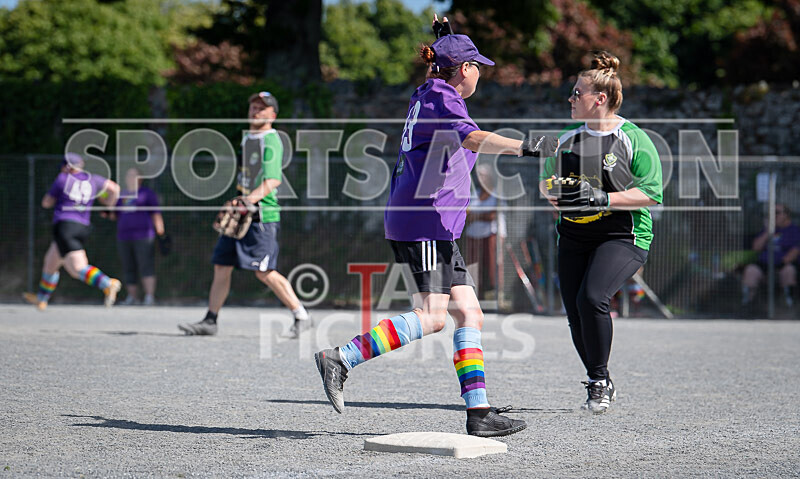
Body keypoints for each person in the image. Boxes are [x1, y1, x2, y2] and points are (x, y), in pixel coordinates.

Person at [314, 20, 557, 437]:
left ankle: (478, 414)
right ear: (463, 69)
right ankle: (342, 357)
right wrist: (525, 146)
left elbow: (438, 78)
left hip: (434, 223)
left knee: (470, 312)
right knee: (432, 317)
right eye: (477, 64)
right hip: (424, 220)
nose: (481, 70)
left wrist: (446, 38)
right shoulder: (442, 98)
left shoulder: (431, 92)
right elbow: (474, 140)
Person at [539, 51, 663, 414]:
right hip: (575, 236)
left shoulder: (633, 138)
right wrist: (557, 197)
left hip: (623, 236)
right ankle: (600, 377)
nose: (571, 98)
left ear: (600, 99)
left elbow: (651, 193)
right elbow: (547, 186)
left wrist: (602, 197)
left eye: (577, 93)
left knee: (592, 298)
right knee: (575, 312)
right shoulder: (567, 139)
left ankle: (597, 380)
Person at [178, 91, 312, 338]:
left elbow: (273, 180)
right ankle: (210, 320)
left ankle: (301, 315)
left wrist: (248, 201)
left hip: (261, 216)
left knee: (263, 271)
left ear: (273, 114)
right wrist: (240, 201)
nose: (256, 110)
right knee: (222, 265)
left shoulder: (270, 140)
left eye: (262, 107)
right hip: (243, 213)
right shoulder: (248, 138)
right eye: (253, 106)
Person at [23, 153, 122, 309]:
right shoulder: (93, 179)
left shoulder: (63, 178)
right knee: (51, 262)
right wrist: (108, 208)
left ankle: (107, 283)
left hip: (65, 226)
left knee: (77, 268)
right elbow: (115, 188)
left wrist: (54, 198)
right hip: (82, 226)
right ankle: (42, 299)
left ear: (67, 166)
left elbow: (46, 202)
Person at [114, 167, 166, 306]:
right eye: (129, 175)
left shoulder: (147, 193)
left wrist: (160, 231)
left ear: (140, 179)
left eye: (134, 175)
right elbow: (115, 214)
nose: (130, 178)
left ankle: (149, 297)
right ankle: (132, 297)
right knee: (128, 266)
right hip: (124, 236)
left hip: (144, 235)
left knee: (146, 265)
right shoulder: (122, 195)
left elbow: (155, 213)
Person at [741, 204, 800, 307]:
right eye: (771, 214)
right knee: (751, 270)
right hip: (764, 264)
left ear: (786, 215)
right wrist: (768, 231)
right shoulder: (768, 230)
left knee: (789, 271)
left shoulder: (795, 231)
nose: (773, 216)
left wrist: (780, 265)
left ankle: (788, 303)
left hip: (783, 264)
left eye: (776, 213)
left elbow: (795, 251)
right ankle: (748, 303)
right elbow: (756, 248)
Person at [465, 163, 506, 300]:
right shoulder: (474, 194)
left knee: (492, 267)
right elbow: (467, 216)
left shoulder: (497, 194)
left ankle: (495, 297)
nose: (481, 178)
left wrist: (478, 216)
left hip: (491, 235)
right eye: (479, 176)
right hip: (473, 236)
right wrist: (482, 216)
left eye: (484, 176)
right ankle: (477, 296)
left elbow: (493, 216)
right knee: (474, 267)